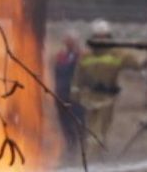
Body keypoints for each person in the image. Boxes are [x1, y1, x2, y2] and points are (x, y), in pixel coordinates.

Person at [70, 19, 142, 148]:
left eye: (103, 37)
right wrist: (75, 93)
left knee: (99, 132)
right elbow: (78, 77)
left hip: (106, 99)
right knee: (91, 131)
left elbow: (136, 64)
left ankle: (94, 159)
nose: (100, 40)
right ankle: (94, 158)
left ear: (108, 37)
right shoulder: (86, 56)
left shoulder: (117, 54)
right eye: (97, 37)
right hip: (89, 98)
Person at [52, 33, 82, 148]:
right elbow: (57, 73)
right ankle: (71, 145)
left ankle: (80, 145)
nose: (69, 44)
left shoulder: (80, 56)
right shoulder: (60, 57)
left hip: (76, 95)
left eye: (72, 42)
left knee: (78, 121)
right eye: (68, 42)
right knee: (65, 123)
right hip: (61, 94)